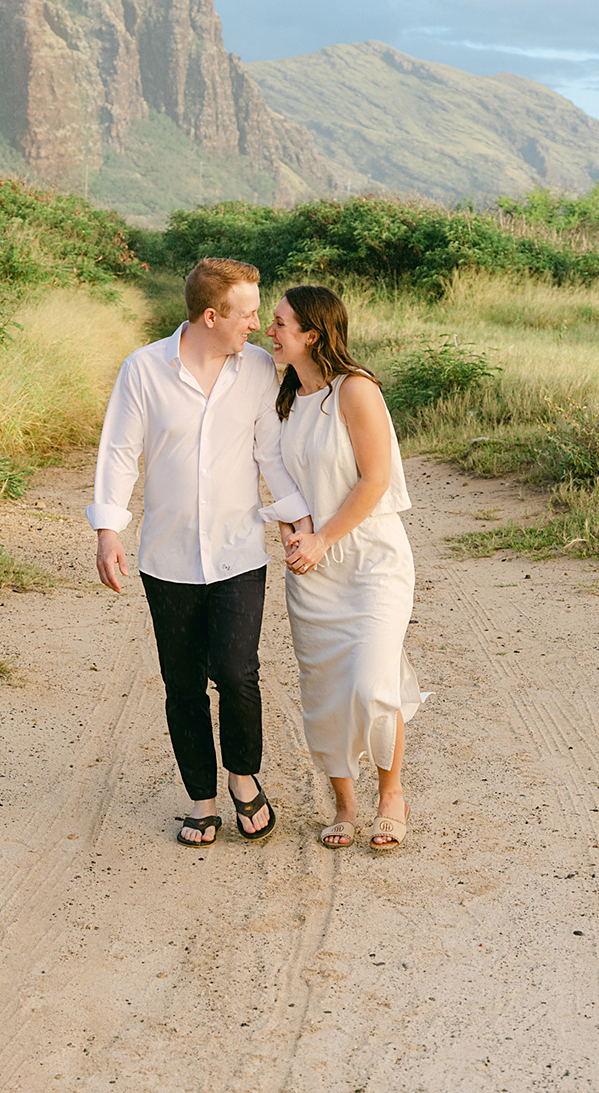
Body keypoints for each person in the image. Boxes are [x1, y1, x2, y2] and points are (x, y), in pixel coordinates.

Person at [88, 257, 312, 846]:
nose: (258, 325)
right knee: (182, 683)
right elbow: (119, 453)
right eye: (248, 313)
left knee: (238, 673)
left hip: (239, 553)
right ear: (211, 317)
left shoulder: (260, 370)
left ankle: (242, 778)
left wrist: (298, 519)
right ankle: (201, 797)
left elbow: (271, 455)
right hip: (167, 558)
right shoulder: (143, 369)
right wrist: (108, 529)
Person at [268, 285, 426, 850]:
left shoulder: (356, 390)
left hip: (370, 561)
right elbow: (284, 480)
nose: (270, 330)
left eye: (281, 323)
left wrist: (323, 539)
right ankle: (345, 804)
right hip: (313, 573)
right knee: (326, 692)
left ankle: (391, 794)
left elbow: (374, 480)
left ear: (312, 334)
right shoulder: (286, 398)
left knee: (371, 681)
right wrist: (292, 534)